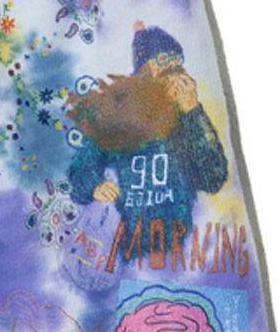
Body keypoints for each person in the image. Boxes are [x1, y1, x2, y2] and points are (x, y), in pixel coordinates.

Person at [68, 22, 228, 242]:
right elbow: (80, 171)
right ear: (142, 70)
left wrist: (193, 113)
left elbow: (213, 180)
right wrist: (94, 186)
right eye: (162, 59)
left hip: (182, 248)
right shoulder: (117, 115)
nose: (172, 68)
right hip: (129, 244)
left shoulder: (186, 117)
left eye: (177, 61)